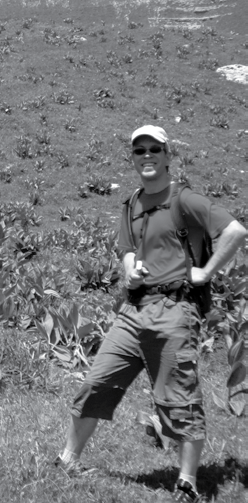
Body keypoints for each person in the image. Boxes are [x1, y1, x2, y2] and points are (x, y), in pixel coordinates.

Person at [56, 125, 247, 502]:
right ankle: (67, 460)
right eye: (139, 150)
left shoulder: (184, 199)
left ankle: (187, 482)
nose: (147, 155)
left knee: (179, 396)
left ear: (166, 155)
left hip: (176, 309)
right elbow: (127, 249)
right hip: (134, 310)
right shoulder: (131, 204)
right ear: (132, 157)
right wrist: (129, 269)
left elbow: (236, 231)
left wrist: (205, 273)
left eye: (154, 149)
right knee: (96, 382)